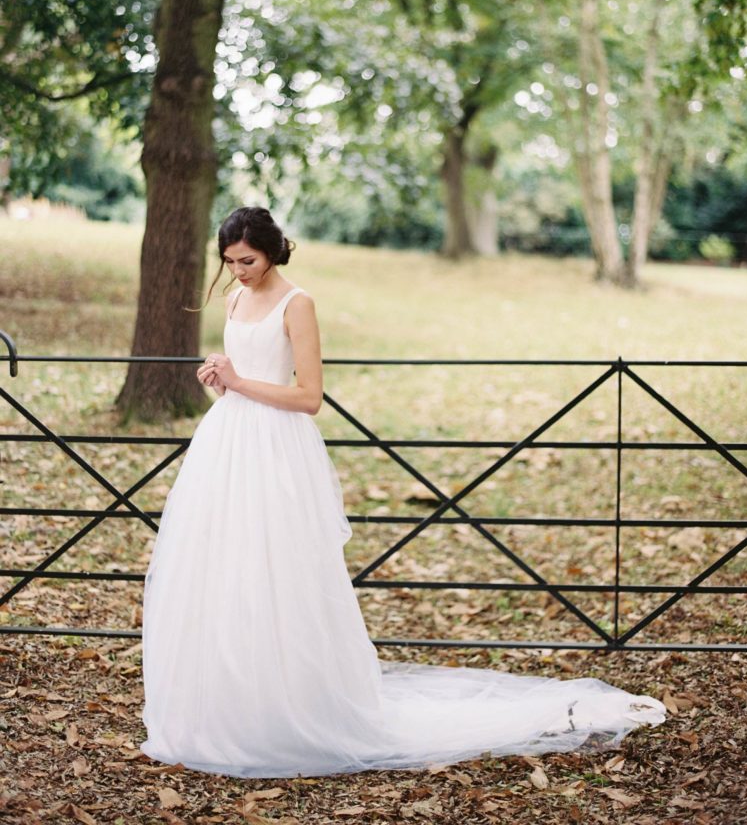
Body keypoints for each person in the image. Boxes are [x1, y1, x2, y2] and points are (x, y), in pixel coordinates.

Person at [139, 206, 666, 779]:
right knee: (226, 568)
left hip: (279, 451)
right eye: (230, 262)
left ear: (272, 251)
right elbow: (247, 379)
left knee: (279, 569)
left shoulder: (299, 303)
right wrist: (224, 384)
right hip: (230, 442)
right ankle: (229, 705)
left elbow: (309, 396)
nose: (238, 271)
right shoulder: (235, 299)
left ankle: (289, 707)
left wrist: (239, 380)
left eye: (248, 260)